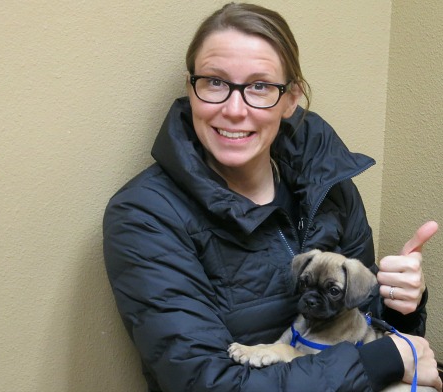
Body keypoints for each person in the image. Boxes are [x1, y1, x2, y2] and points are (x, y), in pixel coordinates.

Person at [103, 3, 441, 391]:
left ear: (290, 98)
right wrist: (381, 362)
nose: (233, 109)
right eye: (214, 82)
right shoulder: (145, 215)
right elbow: (204, 383)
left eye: (260, 86)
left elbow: (361, 325)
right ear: (190, 88)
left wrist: (402, 304)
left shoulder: (329, 184)